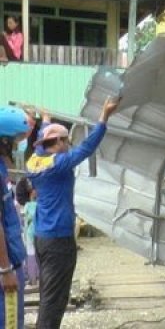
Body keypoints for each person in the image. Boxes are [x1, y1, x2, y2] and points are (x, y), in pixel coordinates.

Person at [26, 96, 120, 329]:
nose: (69, 145)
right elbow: (87, 148)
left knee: (49, 291)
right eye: (66, 141)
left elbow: (43, 140)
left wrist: (46, 122)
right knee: (54, 299)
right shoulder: (59, 164)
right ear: (57, 142)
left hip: (42, 236)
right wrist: (103, 118)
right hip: (59, 239)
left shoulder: (34, 162)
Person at [0, 106, 32, 329]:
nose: (17, 145)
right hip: (5, 266)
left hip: (12, 260)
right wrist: (5, 270)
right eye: (14, 141)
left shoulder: (2, 168)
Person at [15, 178, 38, 286]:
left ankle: (32, 279)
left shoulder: (26, 206)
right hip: (35, 233)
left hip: (28, 233)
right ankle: (34, 278)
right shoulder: (36, 205)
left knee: (30, 255)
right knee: (34, 256)